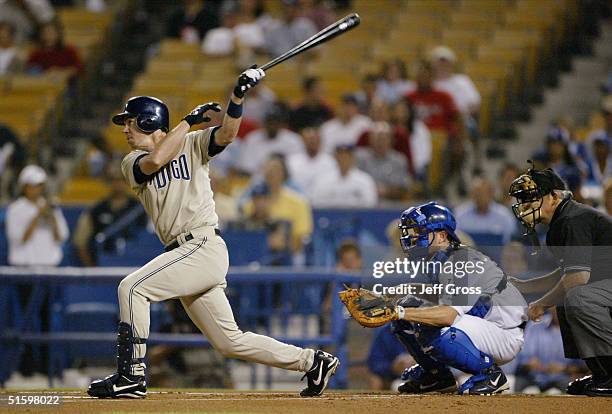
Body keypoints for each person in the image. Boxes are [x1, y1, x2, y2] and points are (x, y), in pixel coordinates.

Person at [87, 68, 339, 399]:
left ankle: (131, 375)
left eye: (131, 121)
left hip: (201, 244)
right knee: (229, 341)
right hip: (184, 251)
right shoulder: (131, 161)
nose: (126, 129)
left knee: (132, 288)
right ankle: (312, 361)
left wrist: (237, 97)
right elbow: (156, 160)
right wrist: (188, 122)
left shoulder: (192, 143)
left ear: (149, 121)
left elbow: (227, 134)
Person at [390, 202, 527, 395]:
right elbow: (442, 294)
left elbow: (447, 315)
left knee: (423, 321)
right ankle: (437, 376)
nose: (412, 236)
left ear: (441, 235)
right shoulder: (445, 258)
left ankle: (490, 375)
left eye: (420, 231)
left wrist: (398, 311)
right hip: (487, 325)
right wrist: (396, 296)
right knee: (406, 309)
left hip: (504, 332)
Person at [509, 166, 612, 396]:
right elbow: (566, 274)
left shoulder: (572, 219)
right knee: (570, 300)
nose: (526, 207)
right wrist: (526, 286)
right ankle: (603, 374)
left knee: (577, 296)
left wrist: (542, 303)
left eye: (532, 199)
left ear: (554, 196)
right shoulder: (561, 221)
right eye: (523, 202)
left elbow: (577, 278)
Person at [72, 164, 146, 266]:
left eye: (121, 180)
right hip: (105, 261)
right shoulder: (97, 209)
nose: (118, 184)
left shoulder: (138, 208)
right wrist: (91, 268)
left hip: (133, 263)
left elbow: (147, 239)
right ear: (108, 183)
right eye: (114, 180)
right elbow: (80, 241)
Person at [242, 155, 313, 254]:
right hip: (254, 253)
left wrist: (285, 242)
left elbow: (302, 240)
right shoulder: (251, 204)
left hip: (287, 256)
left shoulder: (298, 203)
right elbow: (243, 235)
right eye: (268, 171)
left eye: (275, 170)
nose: (271, 174)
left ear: (284, 174)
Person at [6, 165, 69, 266]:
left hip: (49, 266)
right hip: (23, 267)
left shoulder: (51, 207)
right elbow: (19, 239)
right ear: (24, 186)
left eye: (38, 185)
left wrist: (52, 218)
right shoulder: (15, 209)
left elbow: (61, 237)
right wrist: (38, 216)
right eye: (31, 185)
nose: (35, 189)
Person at [515, 309, 584, 394]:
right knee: (517, 384)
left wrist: (564, 369)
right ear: (551, 307)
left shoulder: (576, 330)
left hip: (562, 378)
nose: (559, 311)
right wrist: (530, 364)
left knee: (574, 388)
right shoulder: (535, 325)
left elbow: (582, 367)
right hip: (533, 377)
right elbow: (523, 360)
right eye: (556, 307)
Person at [237, 103, 304, 175]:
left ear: (281, 124)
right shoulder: (252, 139)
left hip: (287, 179)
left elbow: (299, 165)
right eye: (270, 122)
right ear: (263, 123)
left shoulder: (293, 140)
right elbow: (246, 167)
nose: (272, 126)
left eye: (275, 123)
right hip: (258, 180)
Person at [454, 176, 517, 247]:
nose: (478, 196)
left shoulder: (504, 215)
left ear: (491, 194)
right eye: (475, 193)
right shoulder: (460, 214)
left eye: (482, 193)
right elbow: (454, 239)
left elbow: (511, 242)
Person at [356, 122, 410, 201]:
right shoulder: (360, 158)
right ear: (370, 140)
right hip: (364, 204)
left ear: (391, 140)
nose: (380, 142)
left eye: (384, 139)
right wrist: (373, 190)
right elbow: (353, 183)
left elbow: (403, 189)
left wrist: (387, 191)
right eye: (377, 138)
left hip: (391, 205)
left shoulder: (399, 160)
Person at [310, 144, 378, 208]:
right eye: (340, 155)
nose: (343, 159)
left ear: (352, 158)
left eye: (347, 156)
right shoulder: (323, 180)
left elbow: (370, 202)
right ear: (335, 158)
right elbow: (315, 201)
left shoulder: (364, 180)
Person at [287, 124, 336, 195]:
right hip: (298, 201)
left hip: (323, 201)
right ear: (303, 141)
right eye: (309, 139)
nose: (312, 142)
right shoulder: (292, 161)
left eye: (314, 139)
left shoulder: (331, 162)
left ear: (320, 141)